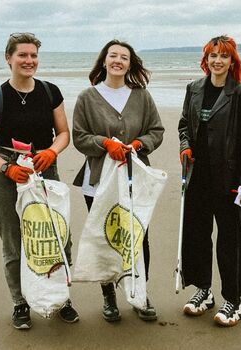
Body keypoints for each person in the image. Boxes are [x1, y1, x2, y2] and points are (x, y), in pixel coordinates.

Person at [0, 32, 79, 329]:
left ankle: (62, 297)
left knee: (57, 237)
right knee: (14, 242)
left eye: (33, 55)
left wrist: (52, 152)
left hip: (46, 172)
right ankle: (20, 303)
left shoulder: (50, 91)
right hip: (8, 178)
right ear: (9, 58)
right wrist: (6, 168)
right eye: (22, 55)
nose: (29, 61)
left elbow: (64, 133)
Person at [72, 39, 164, 322]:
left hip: (135, 178)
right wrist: (104, 143)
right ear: (104, 61)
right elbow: (79, 136)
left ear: (129, 64)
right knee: (105, 237)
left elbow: (156, 130)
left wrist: (137, 144)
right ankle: (109, 297)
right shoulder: (87, 97)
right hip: (98, 180)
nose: (118, 61)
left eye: (124, 57)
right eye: (113, 56)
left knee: (138, 237)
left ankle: (139, 291)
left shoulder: (141, 96)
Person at [178, 35, 241, 327]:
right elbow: (184, 125)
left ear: (232, 61)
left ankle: (234, 301)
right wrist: (185, 146)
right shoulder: (194, 89)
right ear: (206, 59)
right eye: (213, 55)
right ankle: (204, 291)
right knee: (198, 235)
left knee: (229, 240)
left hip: (228, 179)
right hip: (197, 176)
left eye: (223, 56)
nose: (217, 61)